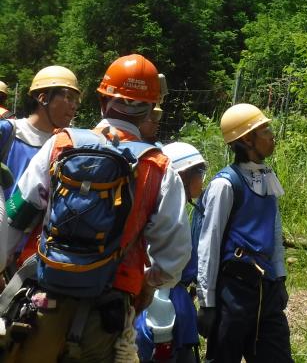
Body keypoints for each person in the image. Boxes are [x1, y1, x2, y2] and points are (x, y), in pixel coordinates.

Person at [2, 53, 191, 363]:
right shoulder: (158, 167)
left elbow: (15, 215)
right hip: (108, 314)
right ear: (150, 109)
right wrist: (148, 285)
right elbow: (175, 254)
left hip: (43, 298)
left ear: (103, 99)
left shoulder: (60, 144)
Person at [195, 103, 293, 363]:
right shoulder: (225, 185)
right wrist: (207, 302)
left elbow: (274, 231)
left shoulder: (267, 177)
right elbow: (209, 243)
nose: (272, 135)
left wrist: (280, 277)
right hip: (234, 290)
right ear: (247, 139)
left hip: (266, 289)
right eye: (265, 130)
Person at [136, 141, 207, 363]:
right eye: (199, 172)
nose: (202, 179)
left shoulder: (172, 213)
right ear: (182, 176)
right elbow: (159, 275)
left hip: (172, 305)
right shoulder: (166, 219)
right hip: (163, 309)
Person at [0, 65, 80, 201]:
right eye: (68, 97)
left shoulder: (62, 145)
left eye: (76, 101)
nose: (74, 106)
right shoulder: (7, 131)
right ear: (43, 98)